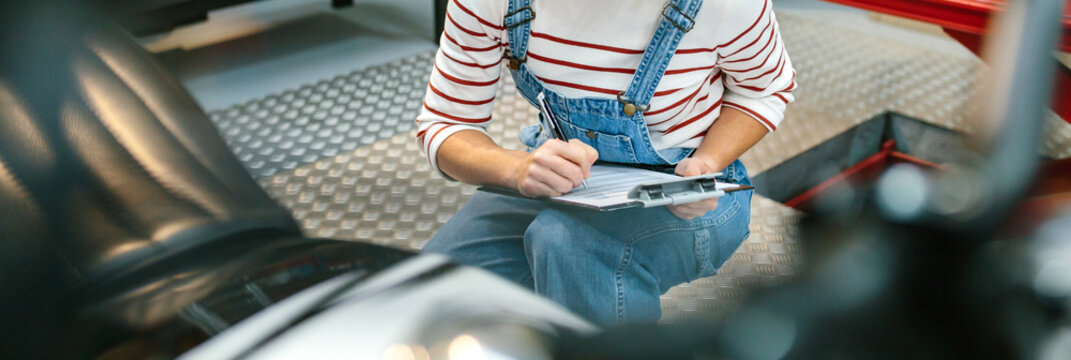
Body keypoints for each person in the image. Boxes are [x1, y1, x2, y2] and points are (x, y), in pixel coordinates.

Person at [416, 0, 796, 325]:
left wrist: (707, 161)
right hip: (556, 178)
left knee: (569, 245)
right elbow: (447, 123)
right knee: (423, 289)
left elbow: (764, 89)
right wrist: (515, 169)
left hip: (688, 189)